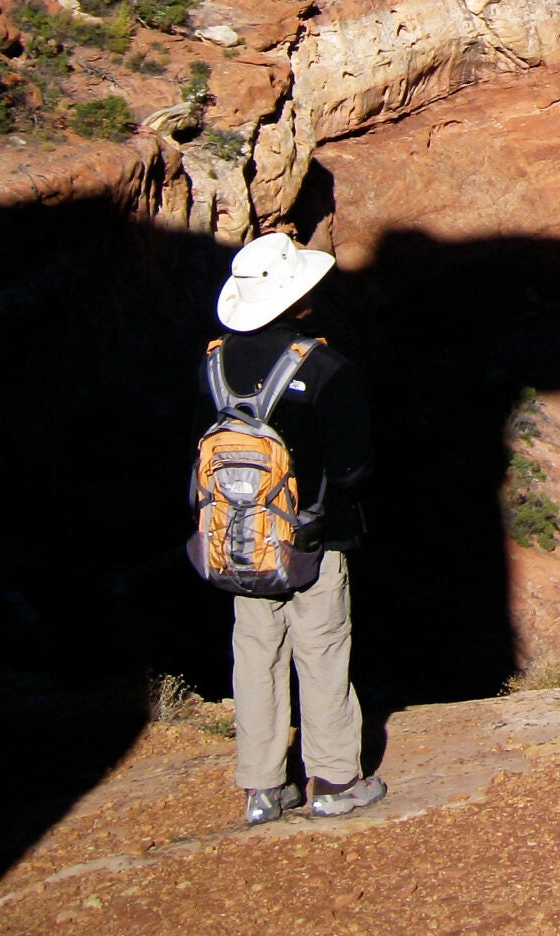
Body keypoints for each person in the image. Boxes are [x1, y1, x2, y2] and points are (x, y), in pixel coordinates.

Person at [201, 230, 384, 827]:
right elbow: (355, 466)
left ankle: (262, 788)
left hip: (238, 540)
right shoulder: (327, 367)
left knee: (255, 655)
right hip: (313, 541)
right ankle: (333, 781)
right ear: (297, 297)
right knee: (322, 650)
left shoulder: (213, 363)